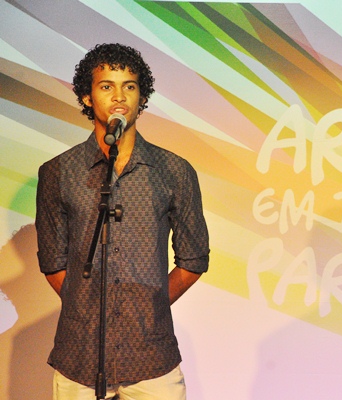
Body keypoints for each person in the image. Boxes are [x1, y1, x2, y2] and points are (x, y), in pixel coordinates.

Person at [35, 43, 210, 399]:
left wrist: (148, 308)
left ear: (141, 97)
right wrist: (89, 309)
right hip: (79, 355)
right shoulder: (58, 172)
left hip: (152, 355)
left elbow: (194, 260)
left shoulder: (174, 171)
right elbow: (52, 261)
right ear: (87, 97)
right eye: (106, 86)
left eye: (129, 86)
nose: (119, 97)